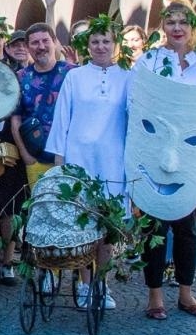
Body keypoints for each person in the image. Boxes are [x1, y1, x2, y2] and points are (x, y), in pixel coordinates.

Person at [133, 0, 196, 320]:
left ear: (192, 26)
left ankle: (186, 292)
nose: (177, 28)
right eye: (171, 22)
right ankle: (154, 295)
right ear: (163, 27)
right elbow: (136, 105)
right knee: (154, 228)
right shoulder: (149, 62)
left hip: (191, 156)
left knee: (188, 227)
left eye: (183, 22)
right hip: (156, 152)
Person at [45, 18, 131, 312]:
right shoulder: (75, 77)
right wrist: (60, 163)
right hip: (79, 159)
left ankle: (102, 284)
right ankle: (84, 283)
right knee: (82, 224)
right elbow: (62, 119)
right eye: (95, 41)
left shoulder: (127, 77)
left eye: (106, 41)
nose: (101, 46)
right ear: (87, 45)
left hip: (112, 161)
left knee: (106, 226)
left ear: (115, 44)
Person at [13, 24, 73, 187]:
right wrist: (26, 156)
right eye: (35, 42)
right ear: (27, 47)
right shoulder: (20, 78)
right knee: (41, 201)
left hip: (70, 157)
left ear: (54, 42)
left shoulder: (72, 73)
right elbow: (16, 119)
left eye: (45, 41)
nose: (41, 47)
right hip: (36, 158)